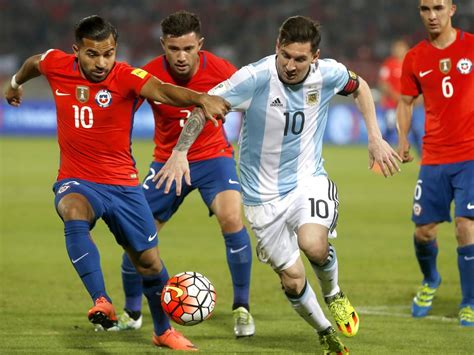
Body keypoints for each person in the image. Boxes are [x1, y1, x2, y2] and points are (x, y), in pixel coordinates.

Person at [155, 16, 402, 354]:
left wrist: (374, 137)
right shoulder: (254, 77)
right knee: (293, 279)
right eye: (285, 55)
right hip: (260, 199)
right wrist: (180, 152)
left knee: (313, 244)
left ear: (314, 57)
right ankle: (326, 332)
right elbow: (203, 105)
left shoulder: (328, 73)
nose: (290, 65)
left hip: (307, 181)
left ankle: (334, 294)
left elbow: (358, 87)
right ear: (276, 48)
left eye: (300, 59)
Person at [3, 15, 230, 351]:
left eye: (108, 53)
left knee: (149, 263)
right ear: (76, 50)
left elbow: (163, 90)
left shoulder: (125, 76)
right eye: (93, 54)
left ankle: (163, 331)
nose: (102, 62)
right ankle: (101, 300)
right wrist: (15, 82)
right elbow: (33, 63)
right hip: (78, 179)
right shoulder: (57, 64)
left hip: (123, 185)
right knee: (73, 211)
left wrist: (199, 98)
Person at [117, 10, 255, 338]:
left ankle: (242, 307)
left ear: (200, 45)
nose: (181, 57)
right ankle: (132, 311)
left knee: (232, 217)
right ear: (163, 44)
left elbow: (255, 105)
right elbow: (121, 114)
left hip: (212, 157)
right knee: (137, 238)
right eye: (174, 49)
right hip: (166, 163)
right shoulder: (147, 74)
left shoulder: (222, 70)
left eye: (188, 49)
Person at [396, 0, 474, 326]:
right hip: (434, 157)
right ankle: (431, 280)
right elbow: (404, 101)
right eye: (425, 9)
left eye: (438, 8)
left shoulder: (471, 47)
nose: (432, 15)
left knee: (465, 226)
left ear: (452, 10)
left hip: (470, 155)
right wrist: (401, 140)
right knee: (424, 232)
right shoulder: (415, 57)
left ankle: (469, 301)